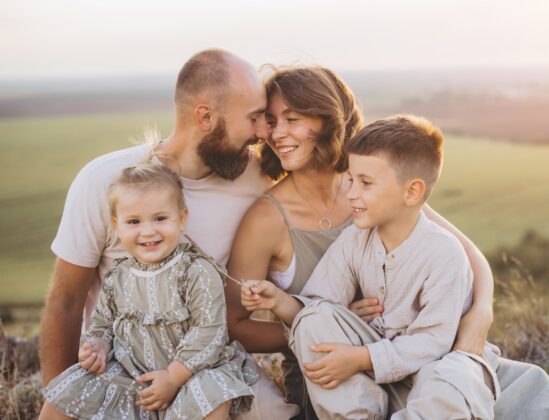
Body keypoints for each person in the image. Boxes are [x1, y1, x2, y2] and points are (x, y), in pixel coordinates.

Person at [41, 49, 298, 418]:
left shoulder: (257, 178)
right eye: (254, 118)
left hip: (208, 360)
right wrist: (69, 395)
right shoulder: (104, 181)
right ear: (206, 117)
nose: (262, 134)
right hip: (124, 363)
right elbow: (65, 301)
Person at [226, 67, 496, 417]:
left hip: (415, 357)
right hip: (333, 375)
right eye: (271, 121)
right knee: (318, 318)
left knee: (459, 379)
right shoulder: (267, 218)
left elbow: (465, 253)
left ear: (327, 120)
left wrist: (481, 315)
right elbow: (240, 325)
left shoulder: (376, 185)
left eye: (291, 119)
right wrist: (333, 319)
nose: (277, 134)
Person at [40, 163, 257, 419]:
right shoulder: (118, 276)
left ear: (182, 218)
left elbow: (209, 331)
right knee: (69, 390)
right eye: (133, 221)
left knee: (213, 395)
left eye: (160, 218)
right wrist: (97, 345)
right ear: (116, 225)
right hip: (133, 372)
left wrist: (173, 376)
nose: (148, 231)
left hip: (191, 371)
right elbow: (102, 324)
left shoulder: (196, 270)